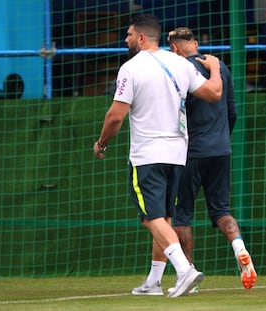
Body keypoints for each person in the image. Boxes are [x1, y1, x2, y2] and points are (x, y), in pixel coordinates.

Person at [93, 14, 223, 297]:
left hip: (147, 154)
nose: (125, 39)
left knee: (150, 217)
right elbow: (214, 93)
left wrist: (102, 143)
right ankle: (153, 282)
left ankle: (184, 269)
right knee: (162, 217)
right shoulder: (180, 64)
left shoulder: (130, 68)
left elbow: (116, 115)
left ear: (141, 37)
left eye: (128, 35)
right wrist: (214, 68)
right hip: (177, 154)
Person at [134, 27, 257, 295]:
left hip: (190, 153)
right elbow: (232, 110)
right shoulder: (219, 67)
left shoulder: (178, 69)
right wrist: (222, 138)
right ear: (196, 43)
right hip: (221, 150)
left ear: (174, 48)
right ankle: (240, 247)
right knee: (222, 210)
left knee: (181, 217)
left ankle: (187, 274)